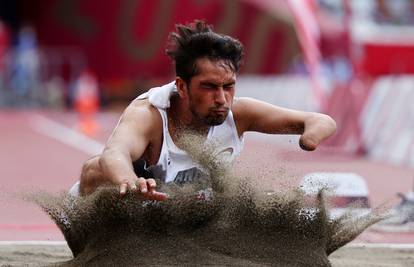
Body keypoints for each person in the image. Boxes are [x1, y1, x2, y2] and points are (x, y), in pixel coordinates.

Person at [69, 20, 337, 200]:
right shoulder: (149, 114)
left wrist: (309, 137)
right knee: (95, 170)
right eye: (209, 87)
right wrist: (130, 182)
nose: (221, 98)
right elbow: (114, 153)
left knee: (253, 201)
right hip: (121, 212)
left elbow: (320, 120)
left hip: (183, 218)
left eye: (228, 86)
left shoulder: (240, 113)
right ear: (182, 87)